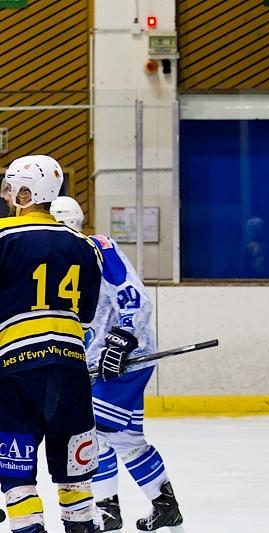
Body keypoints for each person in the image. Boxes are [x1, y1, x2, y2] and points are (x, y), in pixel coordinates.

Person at [50, 197, 183, 532]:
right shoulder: (49, 260)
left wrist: (124, 337)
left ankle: (107, 508)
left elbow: (133, 296)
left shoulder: (99, 249)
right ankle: (163, 504)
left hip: (124, 361)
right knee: (125, 438)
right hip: (95, 364)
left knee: (91, 430)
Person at [0, 156, 103, 533]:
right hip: (71, 371)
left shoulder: (3, 236)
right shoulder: (86, 247)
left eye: (12, 188)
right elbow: (86, 317)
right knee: (75, 479)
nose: (7, 195)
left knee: (17, 479)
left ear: (27, 193)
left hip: (17, 370)